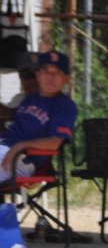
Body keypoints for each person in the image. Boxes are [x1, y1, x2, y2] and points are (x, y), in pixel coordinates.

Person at [0, 50, 76, 182]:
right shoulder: (29, 99)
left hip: (23, 159)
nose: (50, 77)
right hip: (5, 149)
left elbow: (55, 143)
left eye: (57, 73)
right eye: (46, 71)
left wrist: (20, 146)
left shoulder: (64, 105)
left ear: (67, 79)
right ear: (39, 75)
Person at [0, 51, 40, 124]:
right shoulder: (18, 100)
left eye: (37, 75)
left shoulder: (58, 105)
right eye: (26, 74)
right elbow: (6, 112)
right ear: (20, 77)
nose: (32, 80)